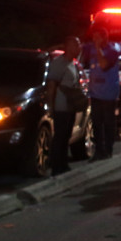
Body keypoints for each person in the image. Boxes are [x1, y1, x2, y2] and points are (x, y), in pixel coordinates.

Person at [46, 36, 83, 176]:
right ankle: (57, 166)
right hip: (61, 106)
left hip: (70, 106)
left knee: (66, 134)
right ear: (67, 47)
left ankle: (63, 164)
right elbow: (51, 85)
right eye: (76, 45)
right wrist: (51, 106)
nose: (78, 48)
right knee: (60, 136)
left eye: (79, 45)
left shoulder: (72, 64)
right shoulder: (58, 63)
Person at [85, 26, 120, 159]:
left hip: (108, 95)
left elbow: (104, 65)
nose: (94, 40)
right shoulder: (91, 48)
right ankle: (99, 150)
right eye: (94, 37)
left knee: (108, 124)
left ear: (104, 38)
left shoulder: (112, 51)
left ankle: (108, 150)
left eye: (97, 37)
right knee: (96, 124)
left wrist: (99, 48)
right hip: (95, 94)